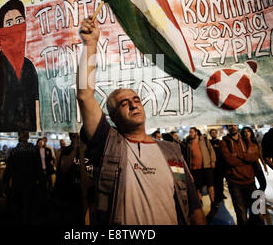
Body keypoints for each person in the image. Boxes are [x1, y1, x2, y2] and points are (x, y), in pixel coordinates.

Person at [77, 18, 205, 225]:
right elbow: (84, 96)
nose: (134, 105)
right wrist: (90, 45)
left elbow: (193, 209)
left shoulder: (172, 151)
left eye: (136, 100)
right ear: (113, 117)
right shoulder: (108, 143)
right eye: (124, 103)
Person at [0, 0, 40, 133]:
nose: (15, 27)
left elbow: (36, 109)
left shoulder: (29, 67)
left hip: (28, 138)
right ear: (1, 30)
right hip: (0, 134)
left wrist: (38, 135)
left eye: (19, 21)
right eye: (9, 23)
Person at [220, 125, 261, 225]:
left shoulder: (246, 140)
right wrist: (246, 159)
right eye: (230, 125)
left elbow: (254, 157)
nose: (233, 127)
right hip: (235, 183)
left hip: (250, 181)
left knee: (257, 212)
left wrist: (238, 155)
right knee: (241, 214)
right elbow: (229, 161)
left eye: (234, 125)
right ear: (227, 127)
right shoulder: (224, 142)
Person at [2, 132, 39, 224]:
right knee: (27, 209)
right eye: (23, 133)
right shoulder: (33, 149)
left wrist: (5, 183)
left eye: (26, 133)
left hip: (20, 184)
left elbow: (9, 169)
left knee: (21, 209)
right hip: (28, 184)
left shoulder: (15, 151)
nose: (25, 134)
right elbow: (38, 168)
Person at [182, 127, 217, 215]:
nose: (190, 133)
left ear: (196, 133)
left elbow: (211, 150)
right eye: (190, 132)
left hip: (206, 166)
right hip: (194, 168)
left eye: (192, 132)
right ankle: (199, 202)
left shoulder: (204, 140)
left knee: (210, 184)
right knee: (197, 187)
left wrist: (213, 161)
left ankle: (213, 201)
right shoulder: (189, 142)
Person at [241, 127, 267, 192]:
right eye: (244, 132)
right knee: (252, 185)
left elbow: (260, 154)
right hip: (248, 166)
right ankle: (255, 200)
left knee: (263, 183)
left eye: (248, 131)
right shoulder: (242, 144)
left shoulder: (255, 143)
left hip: (257, 165)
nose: (246, 133)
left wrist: (264, 165)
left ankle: (258, 196)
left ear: (251, 133)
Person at [208, 128, 227, 211]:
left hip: (221, 164)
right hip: (213, 164)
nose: (213, 134)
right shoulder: (209, 142)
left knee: (221, 180)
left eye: (214, 132)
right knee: (215, 181)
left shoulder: (220, 142)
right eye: (212, 133)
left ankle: (221, 193)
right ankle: (217, 196)